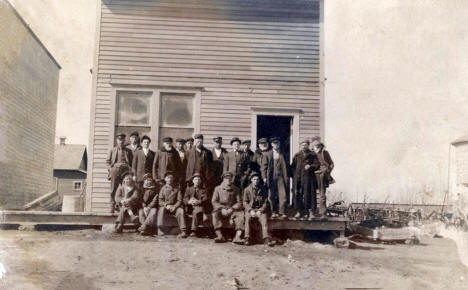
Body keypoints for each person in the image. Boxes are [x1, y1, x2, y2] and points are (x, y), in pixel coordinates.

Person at [211, 172, 244, 244]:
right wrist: (221, 208)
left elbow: (239, 202)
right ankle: (220, 235)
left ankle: (237, 237)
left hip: (232, 210)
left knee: (241, 214)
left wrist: (232, 209)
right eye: (226, 178)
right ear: (223, 179)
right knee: (215, 214)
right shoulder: (217, 188)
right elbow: (214, 201)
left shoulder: (236, 189)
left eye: (230, 178)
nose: (228, 180)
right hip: (221, 210)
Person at [243, 172, 275, 246]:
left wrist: (260, 211)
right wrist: (250, 210)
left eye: (257, 179)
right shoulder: (247, 189)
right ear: (251, 180)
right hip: (251, 210)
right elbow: (245, 202)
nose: (256, 181)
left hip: (259, 210)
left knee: (264, 220)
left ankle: (266, 238)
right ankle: (247, 238)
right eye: (254, 179)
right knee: (247, 219)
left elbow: (265, 202)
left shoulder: (263, 189)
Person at [291, 140, 320, 220]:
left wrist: (310, 166)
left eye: (306, 145)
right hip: (298, 179)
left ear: (308, 146)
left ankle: (310, 213)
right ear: (300, 146)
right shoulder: (297, 155)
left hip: (308, 178)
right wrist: (294, 176)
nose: (304, 146)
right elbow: (292, 167)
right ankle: (299, 212)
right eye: (302, 145)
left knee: (309, 195)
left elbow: (317, 165)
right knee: (298, 195)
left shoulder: (312, 155)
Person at [261, 137, 289, 219]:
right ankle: (273, 212)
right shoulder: (267, 154)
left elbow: (287, 166)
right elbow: (263, 167)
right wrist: (264, 177)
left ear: (279, 144)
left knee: (282, 195)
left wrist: (287, 177)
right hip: (271, 177)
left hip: (281, 177)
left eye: (277, 143)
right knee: (271, 195)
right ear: (272, 144)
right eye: (274, 143)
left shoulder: (283, 154)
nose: (276, 145)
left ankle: (282, 212)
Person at [106, 133, 133, 213]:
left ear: (124, 141)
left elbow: (131, 163)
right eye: (119, 140)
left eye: (122, 140)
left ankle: (122, 206)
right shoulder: (112, 150)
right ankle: (112, 205)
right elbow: (108, 161)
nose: (121, 142)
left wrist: (131, 172)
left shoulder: (128, 151)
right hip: (115, 169)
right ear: (117, 141)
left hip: (125, 170)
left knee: (125, 188)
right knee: (113, 188)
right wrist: (110, 169)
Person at [157, 172, 188, 238]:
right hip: (166, 207)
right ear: (165, 179)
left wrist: (175, 206)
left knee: (181, 211)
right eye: (168, 178)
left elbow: (179, 200)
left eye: (171, 178)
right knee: (161, 209)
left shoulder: (177, 188)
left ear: (173, 179)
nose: (170, 179)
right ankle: (160, 229)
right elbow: (160, 201)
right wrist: (166, 205)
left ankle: (183, 231)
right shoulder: (163, 188)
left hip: (174, 207)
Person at [311, 137, 335, 219]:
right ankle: (312, 212)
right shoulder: (311, 154)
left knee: (322, 195)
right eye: (315, 146)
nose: (317, 147)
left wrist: (327, 171)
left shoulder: (325, 153)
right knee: (311, 194)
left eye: (318, 145)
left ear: (321, 146)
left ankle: (323, 213)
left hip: (322, 175)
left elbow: (331, 164)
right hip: (313, 175)